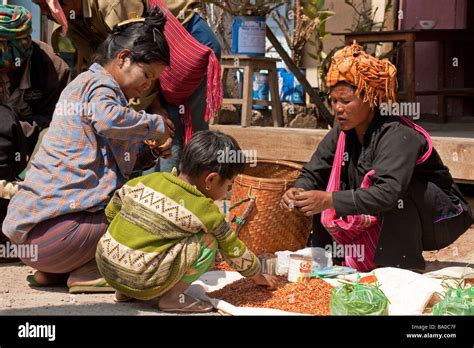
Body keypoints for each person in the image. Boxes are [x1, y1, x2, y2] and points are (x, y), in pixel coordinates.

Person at [3, 9, 174, 292]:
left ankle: (53, 271)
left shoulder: (90, 87)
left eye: (153, 80)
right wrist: (155, 124)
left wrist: (153, 152)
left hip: (37, 241)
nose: (147, 86)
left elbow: (115, 156)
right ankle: (89, 273)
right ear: (123, 58)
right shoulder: (99, 85)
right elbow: (108, 120)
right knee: (145, 214)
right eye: (146, 74)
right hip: (57, 237)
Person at [281, 42, 472, 272]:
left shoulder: (398, 134)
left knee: (394, 193)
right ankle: (330, 261)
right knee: (326, 186)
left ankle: (398, 267)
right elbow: (314, 171)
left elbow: (388, 193)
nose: (337, 109)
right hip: (391, 208)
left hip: (439, 217)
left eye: (346, 101)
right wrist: (299, 190)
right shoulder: (342, 132)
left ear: (370, 98)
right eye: (333, 100)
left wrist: (329, 200)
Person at [96, 130, 278, 312]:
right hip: (144, 280)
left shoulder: (147, 179)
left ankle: (123, 291)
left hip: (108, 268)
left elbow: (112, 209)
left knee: (132, 225)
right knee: (210, 241)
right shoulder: (205, 211)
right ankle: (174, 298)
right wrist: (257, 275)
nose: (227, 193)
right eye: (229, 186)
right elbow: (233, 249)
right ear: (211, 179)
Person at [34, 0, 221, 172]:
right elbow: (107, 66)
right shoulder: (70, 21)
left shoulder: (114, 4)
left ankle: (178, 193)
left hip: (186, 43)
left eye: (45, 5)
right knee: (145, 127)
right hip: (144, 61)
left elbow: (142, 56)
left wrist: (156, 112)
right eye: (38, 5)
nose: (44, 13)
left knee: (172, 126)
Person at [0, 4, 71, 261]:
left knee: (50, 140)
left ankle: (32, 218)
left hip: (37, 135)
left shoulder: (53, 69)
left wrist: (17, 130)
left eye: (7, 63)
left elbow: (59, 121)